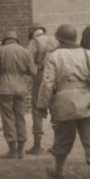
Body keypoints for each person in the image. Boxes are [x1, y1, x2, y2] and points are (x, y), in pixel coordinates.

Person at [36, 24, 90, 179]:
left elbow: (47, 83)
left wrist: (42, 104)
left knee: (62, 139)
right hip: (87, 103)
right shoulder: (87, 54)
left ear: (59, 38)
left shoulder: (53, 56)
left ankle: (59, 171)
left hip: (64, 103)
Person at [0, 30, 36, 159]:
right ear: (16, 40)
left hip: (5, 88)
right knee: (20, 116)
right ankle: (21, 150)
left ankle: (12, 150)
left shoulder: (0, 50)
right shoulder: (25, 51)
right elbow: (33, 71)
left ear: (5, 40)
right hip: (21, 88)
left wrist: (3, 71)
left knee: (8, 117)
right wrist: (21, 71)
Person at [25, 25, 58, 155]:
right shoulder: (54, 41)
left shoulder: (34, 42)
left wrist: (32, 72)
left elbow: (27, 60)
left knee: (37, 110)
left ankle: (37, 146)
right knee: (55, 109)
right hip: (55, 76)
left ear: (32, 34)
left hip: (40, 76)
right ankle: (57, 144)